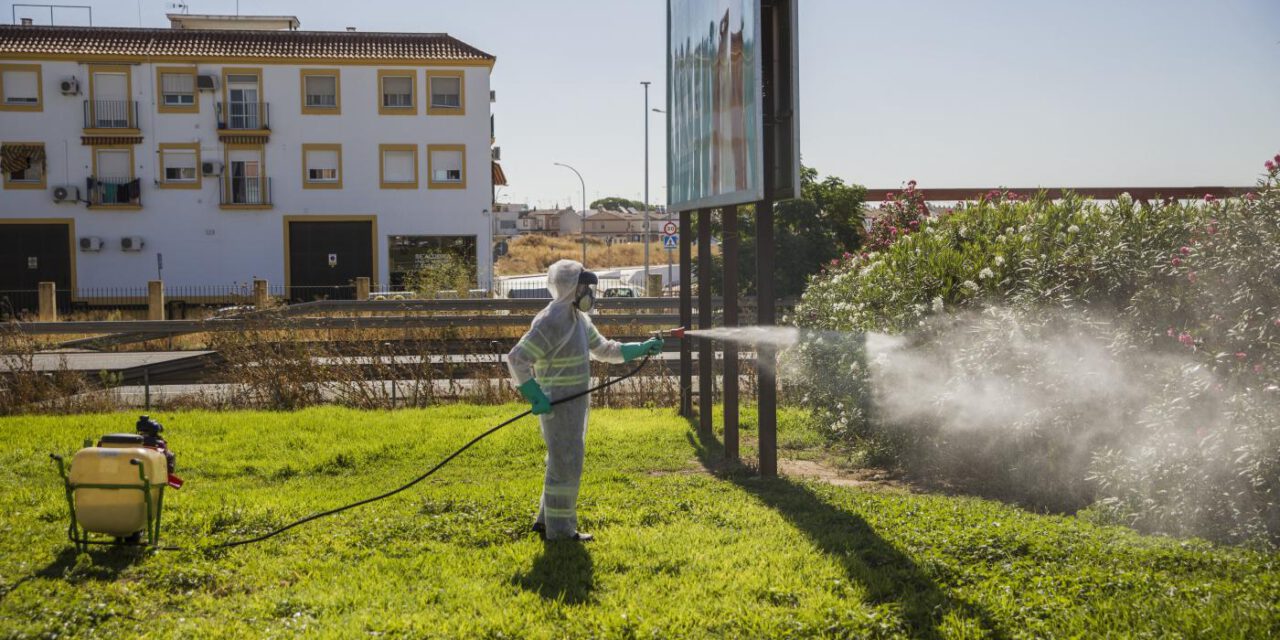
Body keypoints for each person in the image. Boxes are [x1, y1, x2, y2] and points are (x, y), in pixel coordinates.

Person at [507, 260, 664, 542]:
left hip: (573, 404)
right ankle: (561, 531)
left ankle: (546, 520)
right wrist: (534, 395)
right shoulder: (551, 321)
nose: (589, 293)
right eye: (584, 287)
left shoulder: (578, 319)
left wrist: (640, 347)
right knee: (566, 463)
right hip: (557, 404)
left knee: (561, 462)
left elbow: (604, 349)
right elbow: (517, 358)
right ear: (570, 288)